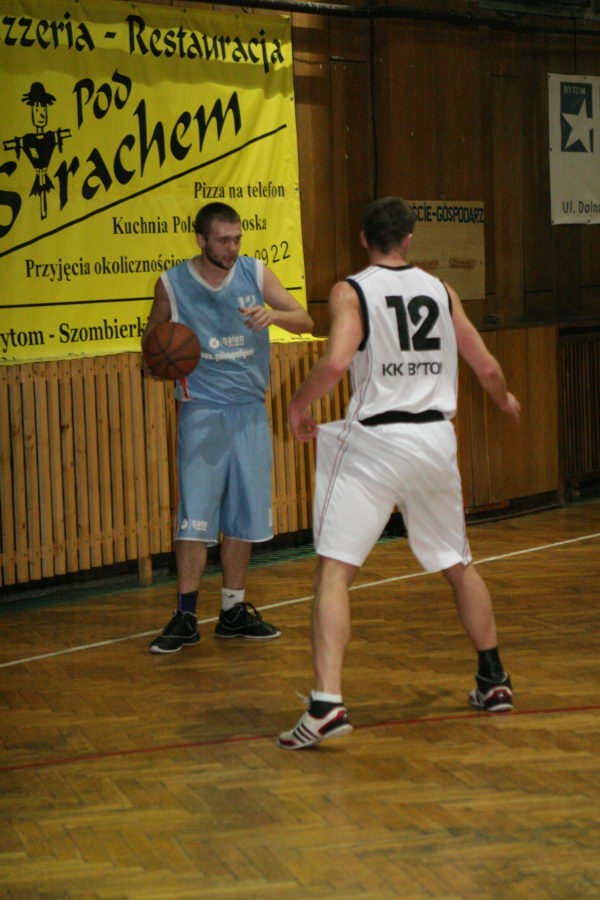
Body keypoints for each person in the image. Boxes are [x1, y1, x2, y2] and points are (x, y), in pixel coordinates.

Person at [277, 196, 520, 750]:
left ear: (364, 238)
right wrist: (504, 400)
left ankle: (326, 705)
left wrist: (298, 404)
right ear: (409, 239)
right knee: (458, 563)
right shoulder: (441, 290)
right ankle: (494, 680)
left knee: (334, 571)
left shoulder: (351, 290)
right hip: (435, 438)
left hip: (377, 441)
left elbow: (337, 361)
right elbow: (486, 366)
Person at [144, 202, 313, 654]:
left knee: (242, 517)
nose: (232, 247)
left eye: (237, 238)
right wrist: (160, 359)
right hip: (202, 412)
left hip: (249, 412)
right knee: (194, 521)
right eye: (223, 240)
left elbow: (306, 320)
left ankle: (233, 612)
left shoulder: (256, 273)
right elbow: (152, 340)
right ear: (201, 240)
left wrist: (275, 316)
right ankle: (185, 616)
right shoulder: (172, 283)